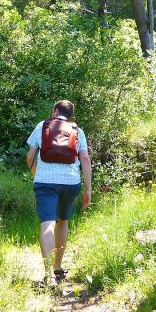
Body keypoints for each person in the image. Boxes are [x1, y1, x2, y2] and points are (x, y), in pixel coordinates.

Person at [26, 100, 92, 287]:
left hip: (45, 182)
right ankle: (58, 267)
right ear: (70, 114)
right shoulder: (78, 130)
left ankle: (49, 276)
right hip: (71, 182)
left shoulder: (42, 125)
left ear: (55, 111)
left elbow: (30, 157)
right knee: (63, 221)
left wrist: (37, 174)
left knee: (47, 223)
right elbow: (85, 158)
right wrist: (88, 189)